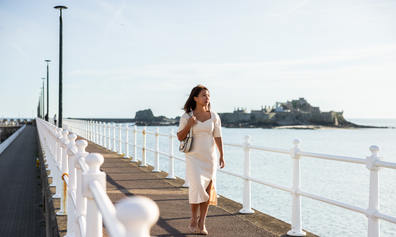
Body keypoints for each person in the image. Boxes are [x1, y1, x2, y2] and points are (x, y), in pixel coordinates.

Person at [177, 85, 225, 235]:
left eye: (208, 95)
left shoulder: (214, 116)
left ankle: (202, 223)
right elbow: (180, 137)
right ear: (195, 98)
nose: (207, 98)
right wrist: (190, 124)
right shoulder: (187, 116)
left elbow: (217, 136)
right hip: (193, 157)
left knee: (207, 188)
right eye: (204, 95)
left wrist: (222, 155)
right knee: (197, 187)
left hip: (209, 157)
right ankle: (193, 218)